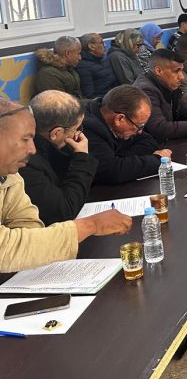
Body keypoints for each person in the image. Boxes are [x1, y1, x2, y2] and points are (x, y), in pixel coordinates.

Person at [0, 99, 131, 273]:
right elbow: (5, 249)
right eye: (25, 139)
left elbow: (29, 227)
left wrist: (32, 246)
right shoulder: (20, 168)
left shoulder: (10, 174)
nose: (32, 150)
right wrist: (90, 225)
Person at [20, 91, 99, 225]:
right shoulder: (24, 162)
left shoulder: (45, 144)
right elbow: (63, 212)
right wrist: (82, 157)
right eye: (76, 128)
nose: (78, 133)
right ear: (56, 133)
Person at [83, 85, 170, 184]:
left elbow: (149, 142)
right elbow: (110, 171)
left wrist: (121, 159)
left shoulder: (118, 122)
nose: (140, 131)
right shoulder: (87, 127)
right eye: (139, 126)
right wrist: (157, 161)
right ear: (119, 119)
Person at [134, 49, 187, 142]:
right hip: (149, 146)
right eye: (176, 71)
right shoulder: (146, 90)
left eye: (181, 70)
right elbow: (160, 128)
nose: (181, 77)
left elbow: (183, 112)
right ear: (158, 71)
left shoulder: (168, 84)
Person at [76, 32, 117, 98]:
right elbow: (90, 96)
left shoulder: (103, 59)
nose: (105, 45)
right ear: (91, 46)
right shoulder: (83, 67)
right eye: (101, 42)